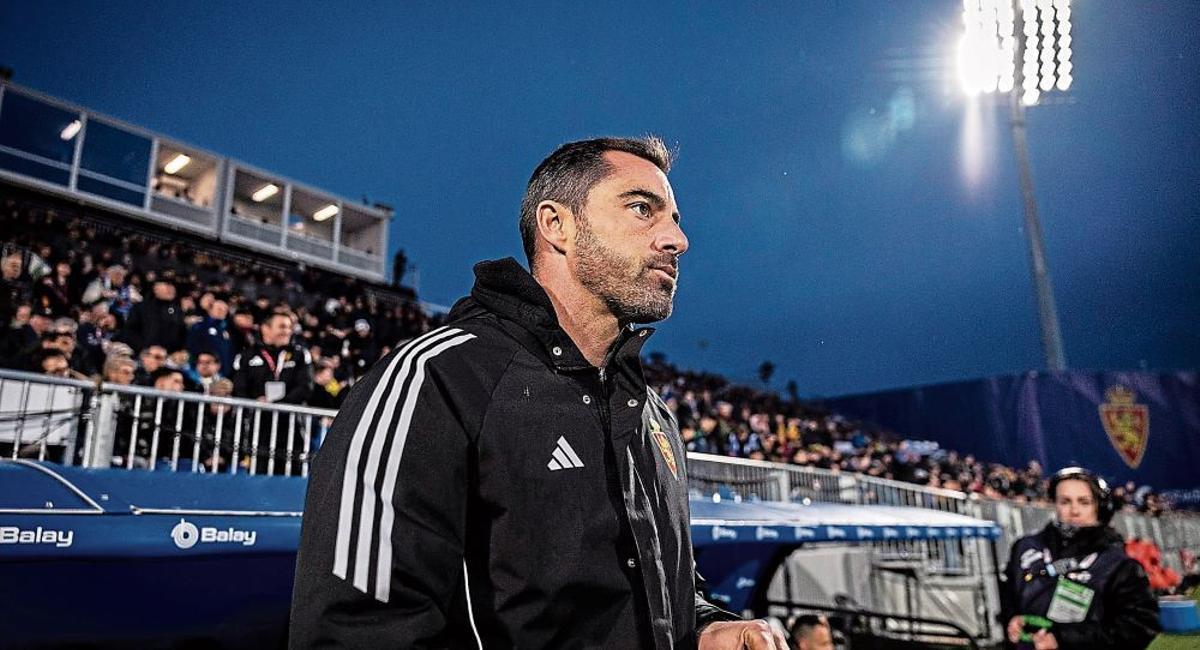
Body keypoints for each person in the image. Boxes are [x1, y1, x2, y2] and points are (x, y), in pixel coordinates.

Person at [291, 137, 785, 648]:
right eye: (643, 209)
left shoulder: (652, 415)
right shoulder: (436, 378)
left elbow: (656, 593)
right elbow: (356, 630)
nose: (677, 239)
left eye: (676, 219)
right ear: (556, 225)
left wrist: (705, 629)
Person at [1000, 467, 1160, 649]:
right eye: (1065, 501)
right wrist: (1011, 619)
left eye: (1084, 502)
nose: (1074, 510)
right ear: (1055, 504)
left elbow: (1140, 627)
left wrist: (1063, 639)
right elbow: (1007, 597)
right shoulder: (1025, 547)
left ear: (1099, 507)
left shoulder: (1119, 564)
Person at [231, 312, 313, 405]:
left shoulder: (300, 355)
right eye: (282, 327)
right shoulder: (246, 356)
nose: (288, 331)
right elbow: (239, 388)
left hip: (288, 417)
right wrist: (255, 405)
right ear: (265, 329)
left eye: (290, 327)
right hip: (254, 415)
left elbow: (305, 387)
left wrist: (277, 404)